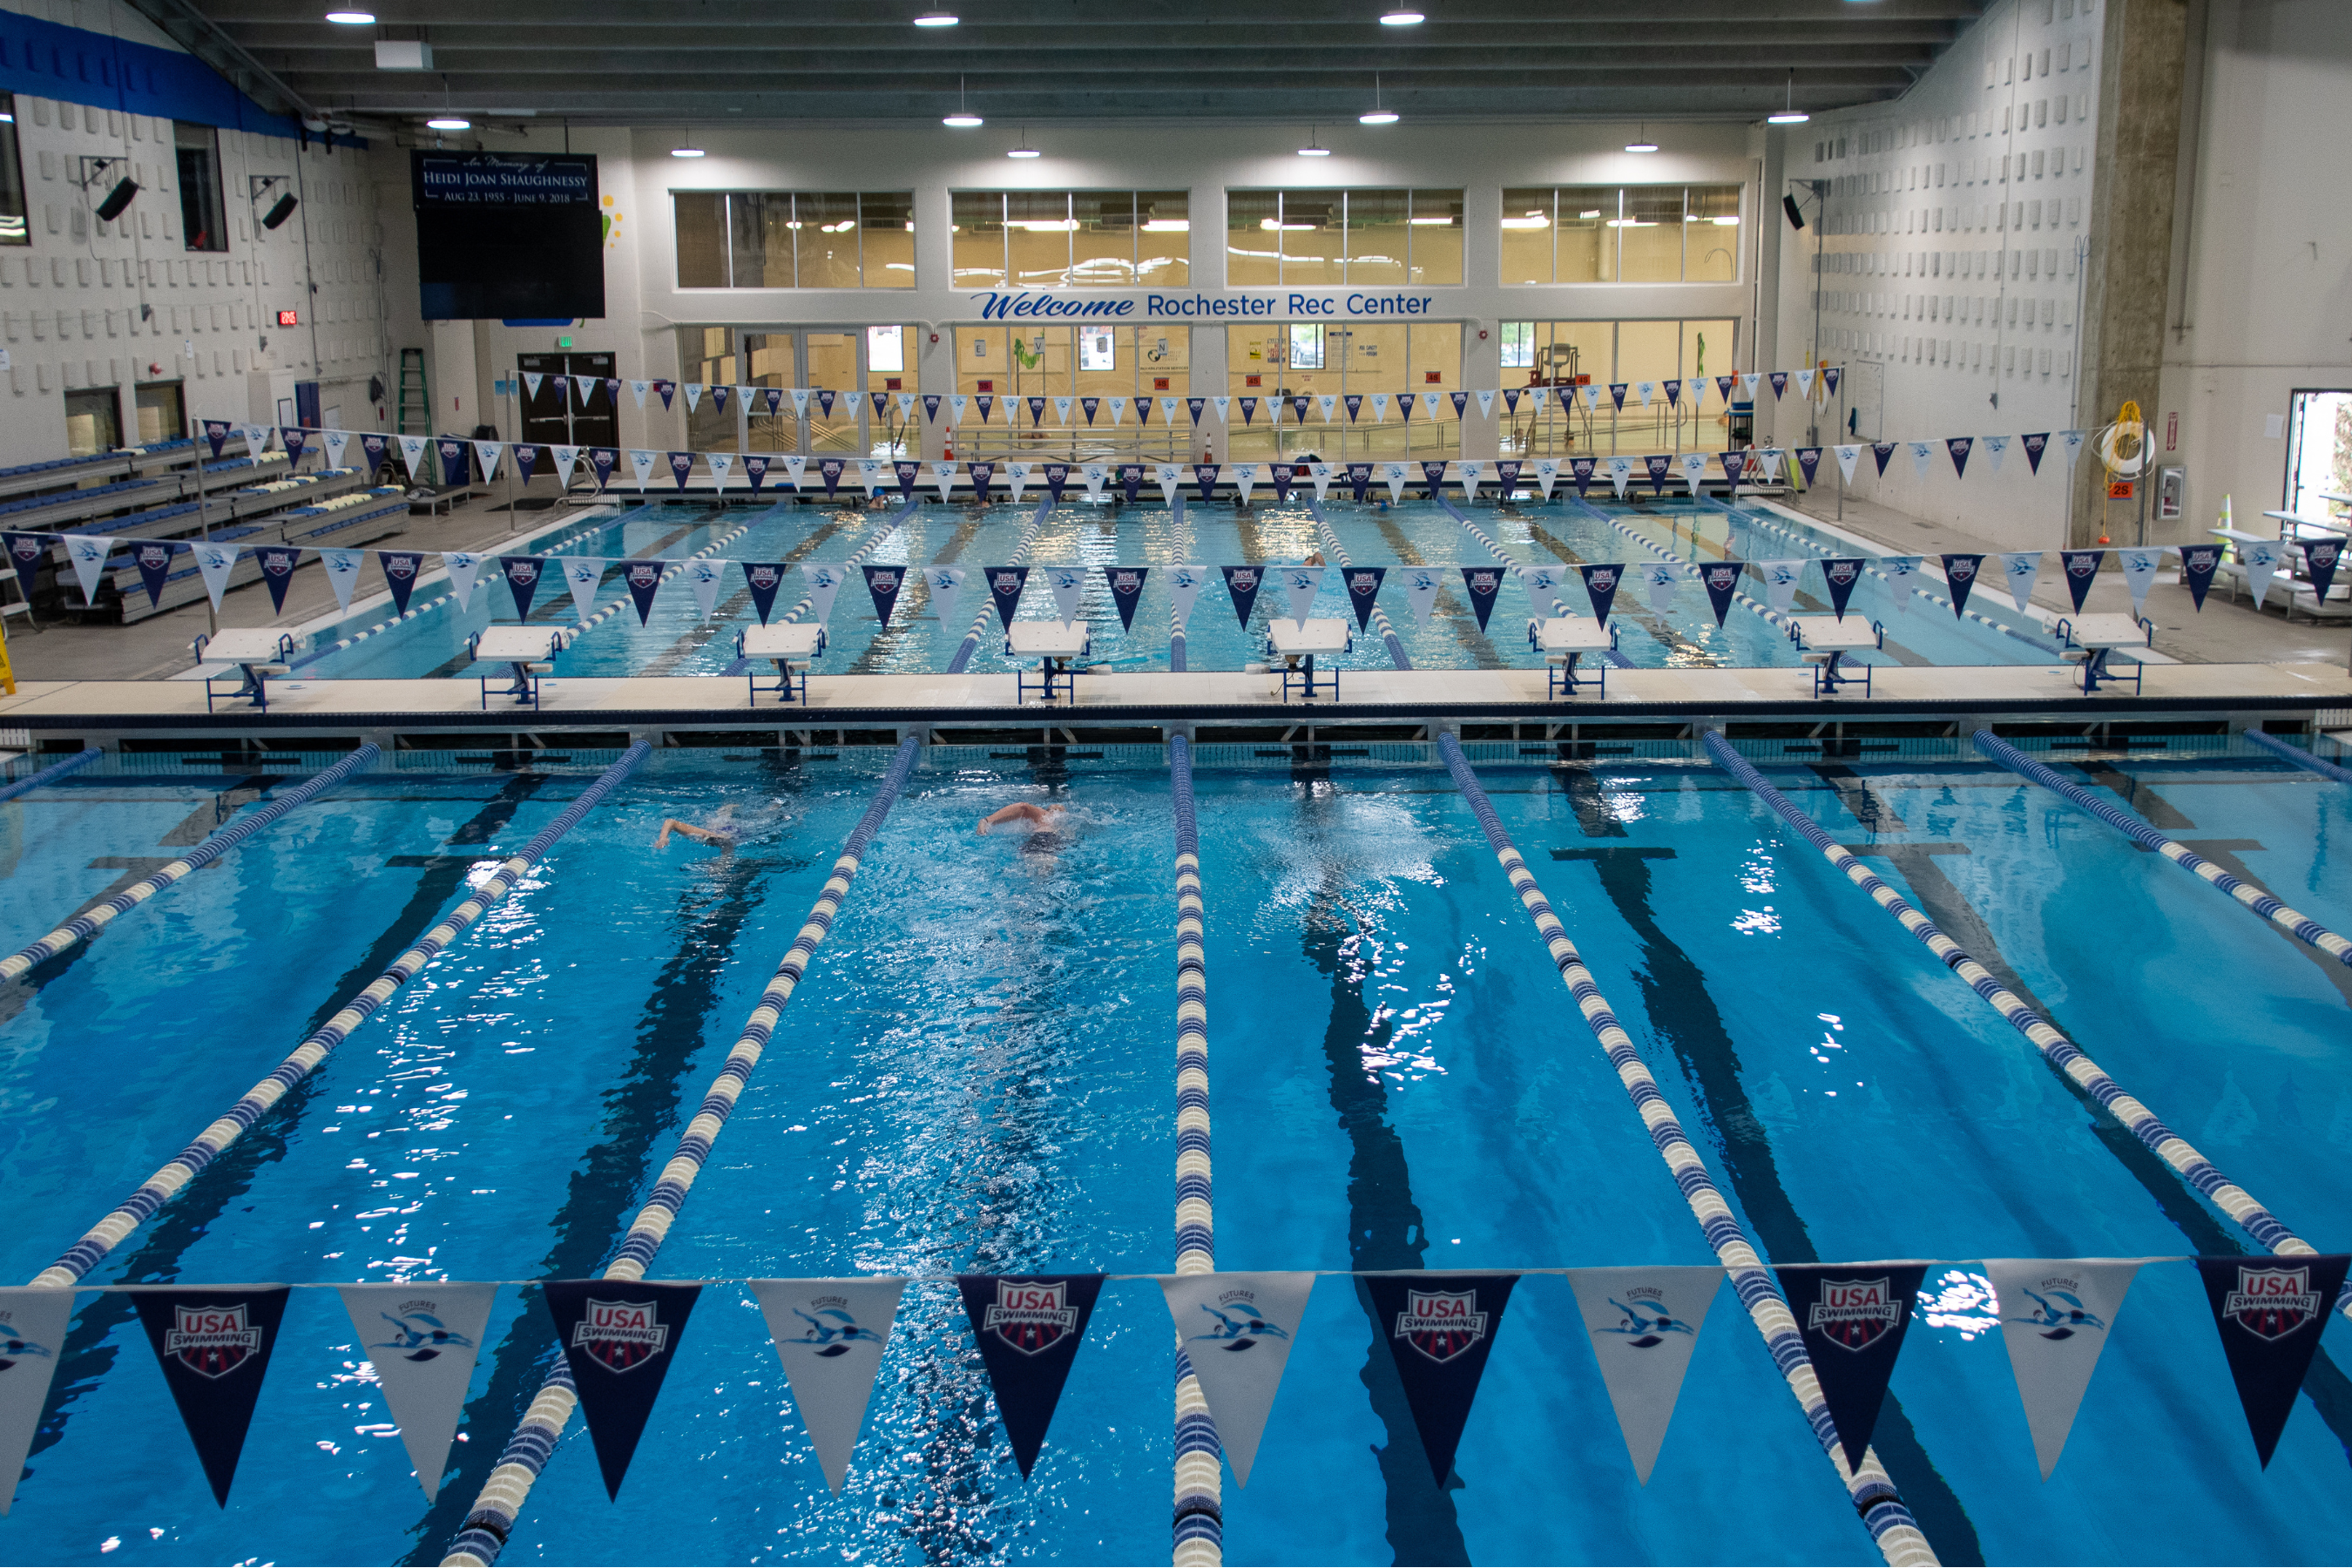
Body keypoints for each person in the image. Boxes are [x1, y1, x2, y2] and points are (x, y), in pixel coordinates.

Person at [656, 802, 741, 850]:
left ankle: (728, 808)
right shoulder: (705, 834)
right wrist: (663, 838)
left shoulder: (709, 835)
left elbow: (671, 822)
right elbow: (670, 822)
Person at [977, 801, 1066, 836]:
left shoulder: (1046, 818)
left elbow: (1022, 807)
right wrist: (986, 821)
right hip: (1045, 840)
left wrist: (987, 821)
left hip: (1041, 841)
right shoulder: (1044, 815)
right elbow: (1023, 807)